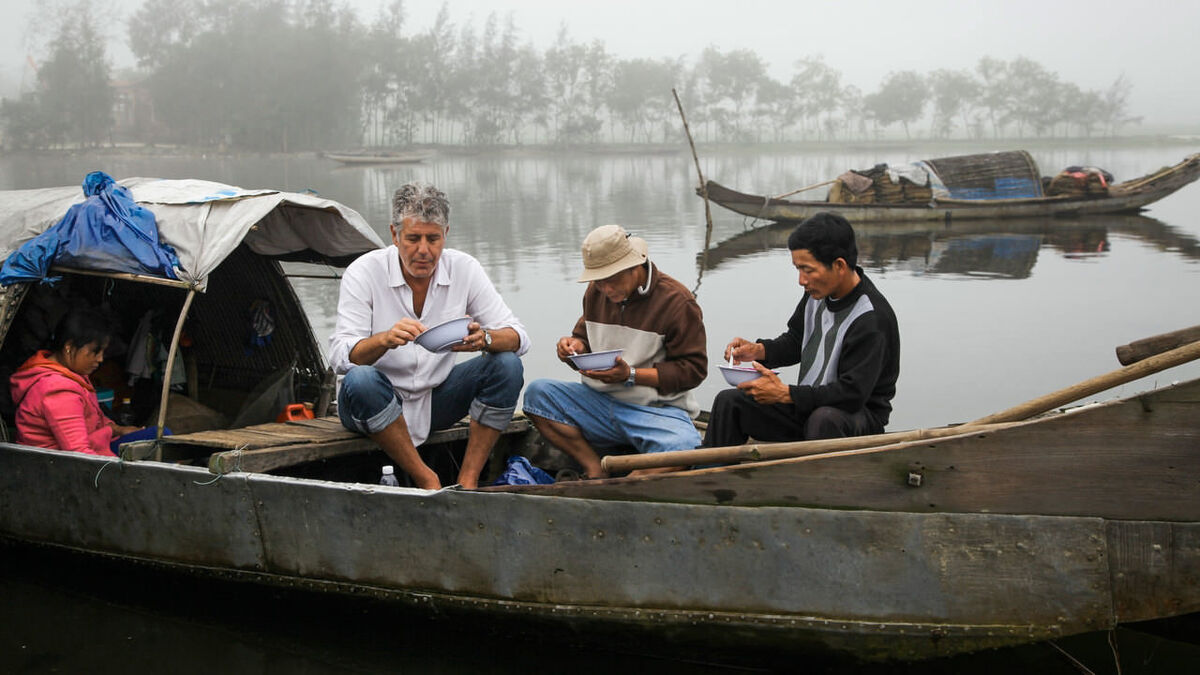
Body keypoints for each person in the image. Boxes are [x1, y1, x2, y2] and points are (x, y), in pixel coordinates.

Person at [329, 181, 527, 489]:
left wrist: (484, 339)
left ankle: (469, 479)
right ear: (394, 235)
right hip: (372, 403)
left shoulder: (464, 268)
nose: (424, 250)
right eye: (413, 238)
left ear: (446, 234)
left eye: (433, 239)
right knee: (361, 380)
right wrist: (383, 340)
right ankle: (427, 478)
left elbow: (519, 337)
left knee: (506, 365)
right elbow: (341, 356)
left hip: (434, 399)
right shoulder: (364, 272)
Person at [523, 225, 707, 479]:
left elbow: (693, 372)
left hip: (655, 411)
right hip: (598, 402)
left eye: (610, 279)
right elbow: (582, 338)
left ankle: (627, 485)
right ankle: (594, 468)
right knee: (537, 395)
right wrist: (573, 348)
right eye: (598, 280)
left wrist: (630, 374)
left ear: (633, 267)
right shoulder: (596, 294)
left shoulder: (677, 302)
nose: (605, 288)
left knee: (684, 448)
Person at [703, 212, 899, 448]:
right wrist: (758, 351)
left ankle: (814, 483)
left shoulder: (872, 317)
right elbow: (797, 341)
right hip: (811, 404)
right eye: (798, 269)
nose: (801, 280)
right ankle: (709, 474)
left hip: (854, 418)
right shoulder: (816, 295)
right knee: (730, 402)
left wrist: (787, 394)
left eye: (807, 270)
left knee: (825, 419)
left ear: (839, 265)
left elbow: (852, 393)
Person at [10, 307, 143, 456]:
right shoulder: (57, 390)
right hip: (58, 466)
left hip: (96, 445)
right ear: (69, 347)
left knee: (159, 437)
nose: (100, 359)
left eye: (102, 352)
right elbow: (79, 455)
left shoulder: (71, 373)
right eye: (95, 351)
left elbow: (93, 419)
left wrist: (117, 429)